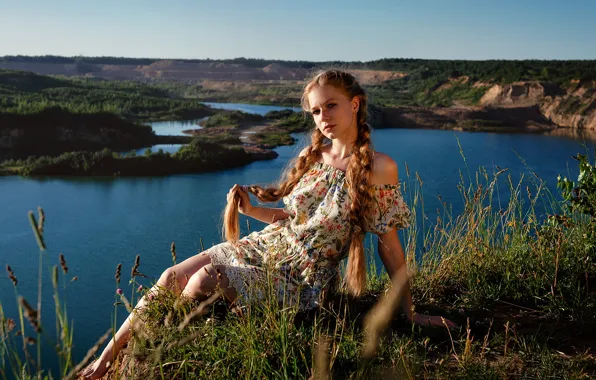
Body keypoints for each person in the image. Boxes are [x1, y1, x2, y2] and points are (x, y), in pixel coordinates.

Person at [80, 70, 456, 379]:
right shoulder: (315, 156)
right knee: (168, 277)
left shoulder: (379, 167)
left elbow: (387, 244)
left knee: (203, 280)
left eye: (331, 106)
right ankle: (105, 362)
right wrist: (250, 211)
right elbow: (289, 219)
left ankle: (169, 346)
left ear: (354, 104)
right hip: (267, 246)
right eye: (315, 111)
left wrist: (410, 311)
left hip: (301, 277)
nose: (323, 117)